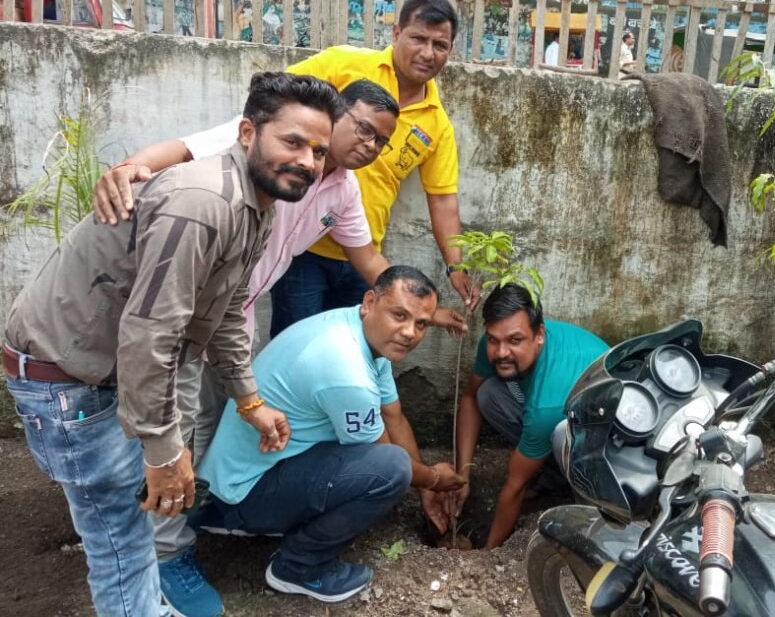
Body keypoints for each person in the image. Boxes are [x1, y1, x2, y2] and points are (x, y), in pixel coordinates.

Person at [91, 79, 466, 616]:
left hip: (231, 314)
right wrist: (130, 166)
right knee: (172, 429)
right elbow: (183, 148)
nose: (368, 144)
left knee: (213, 424)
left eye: (381, 141)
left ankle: (196, 513)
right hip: (184, 312)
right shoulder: (270, 146)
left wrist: (425, 311)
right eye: (360, 128)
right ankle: (168, 551)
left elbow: (370, 263)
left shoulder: (338, 190)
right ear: (331, 120)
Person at [3, 72, 341, 617]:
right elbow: (151, 333)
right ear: (249, 133)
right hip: (66, 381)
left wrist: (249, 400)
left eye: (319, 150)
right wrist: (163, 452)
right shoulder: (204, 202)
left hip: (104, 371)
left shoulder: (258, 204)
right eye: (293, 142)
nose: (307, 160)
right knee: (122, 539)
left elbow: (228, 310)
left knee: (129, 527)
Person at [196, 266, 466, 603]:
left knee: (392, 463)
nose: (410, 332)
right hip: (245, 493)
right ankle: (298, 566)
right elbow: (387, 459)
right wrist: (435, 479)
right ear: (370, 301)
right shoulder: (347, 370)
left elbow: (392, 416)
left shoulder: (358, 330)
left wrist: (425, 484)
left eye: (421, 323)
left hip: (241, 477)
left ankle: (239, 519)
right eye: (400, 315)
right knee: (392, 469)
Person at [276, 0, 479, 332]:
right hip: (304, 244)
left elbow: (443, 199)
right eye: (418, 38)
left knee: (355, 351)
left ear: (450, 50)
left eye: (439, 44)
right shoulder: (345, 64)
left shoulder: (437, 123)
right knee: (295, 343)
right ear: (397, 34)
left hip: (365, 255)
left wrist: (455, 268)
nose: (428, 53)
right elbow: (279, 95)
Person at [449, 284, 609, 549]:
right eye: (493, 340)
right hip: (568, 412)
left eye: (515, 341)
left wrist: (488, 553)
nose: (501, 352)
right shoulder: (497, 342)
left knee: (590, 510)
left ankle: (572, 485)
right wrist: (462, 475)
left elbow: (515, 488)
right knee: (489, 393)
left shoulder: (546, 406)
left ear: (539, 335)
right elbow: (469, 397)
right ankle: (553, 475)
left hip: (605, 443)